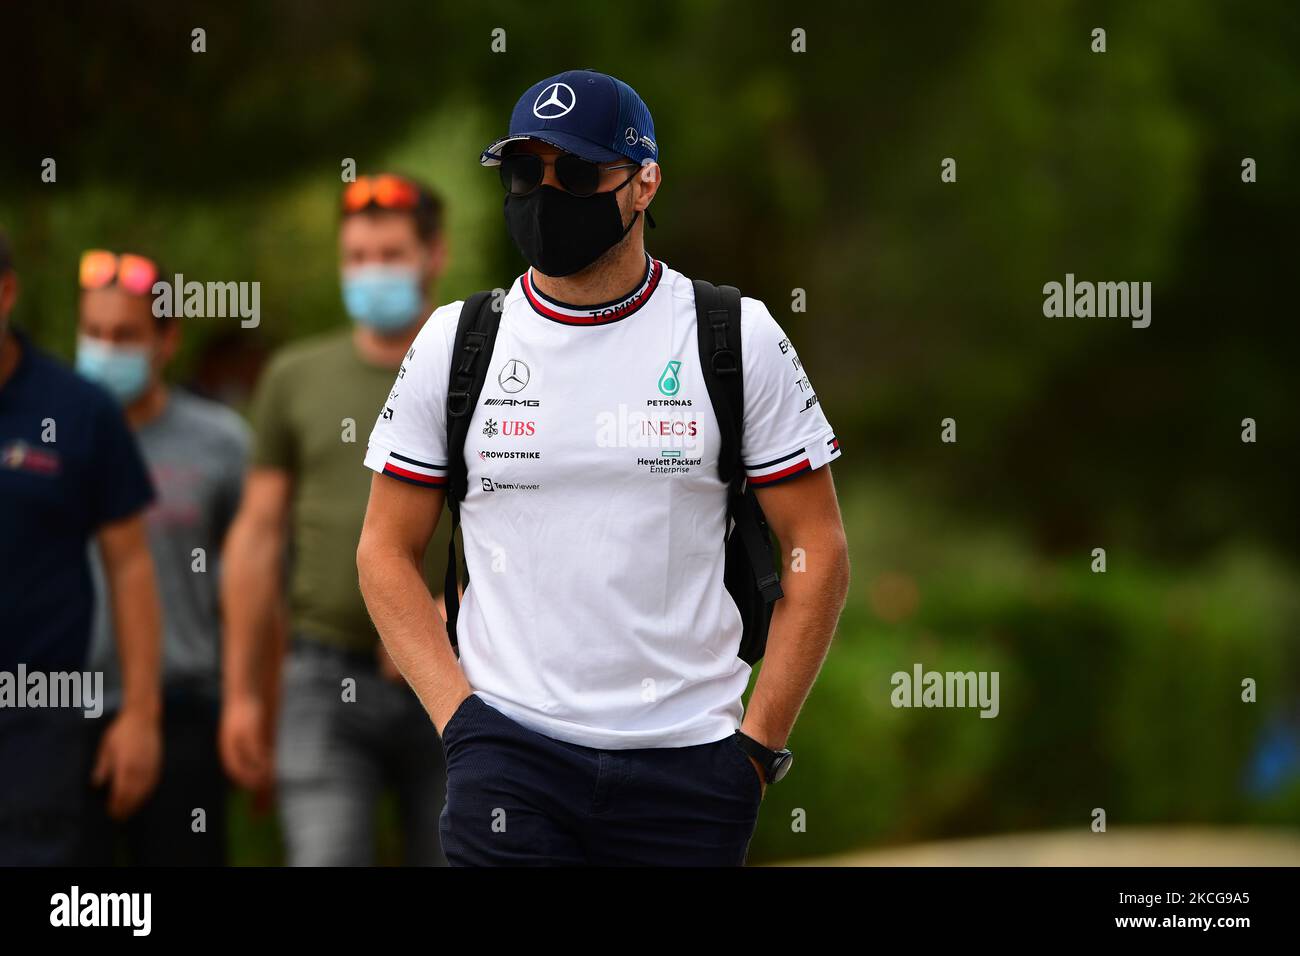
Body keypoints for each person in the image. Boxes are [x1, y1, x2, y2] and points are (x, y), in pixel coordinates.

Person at [357, 70, 851, 866]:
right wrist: (461, 723)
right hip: (508, 760)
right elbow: (382, 550)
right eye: (526, 173)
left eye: (578, 174)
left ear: (644, 182)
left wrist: (757, 749)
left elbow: (818, 548)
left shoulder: (735, 335)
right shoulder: (457, 341)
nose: (546, 194)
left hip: (690, 767)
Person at [220, 175, 453, 865]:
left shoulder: (479, 368)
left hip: (459, 674)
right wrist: (241, 695)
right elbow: (257, 538)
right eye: (356, 257)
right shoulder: (296, 376)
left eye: (389, 255)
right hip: (322, 678)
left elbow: (535, 519)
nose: (369, 272)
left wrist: (461, 606)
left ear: (433, 254)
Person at [74, 249, 250, 865]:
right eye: (93, 334)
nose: (105, 350)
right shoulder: (42, 437)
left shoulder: (222, 444)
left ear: (167, 338)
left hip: (186, 716)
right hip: (61, 714)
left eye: (125, 336)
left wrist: (253, 704)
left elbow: (254, 589)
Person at [0, 230, 163, 865]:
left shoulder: (79, 409)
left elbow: (130, 566)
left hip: (39, 720)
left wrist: (141, 717)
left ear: (7, 292)